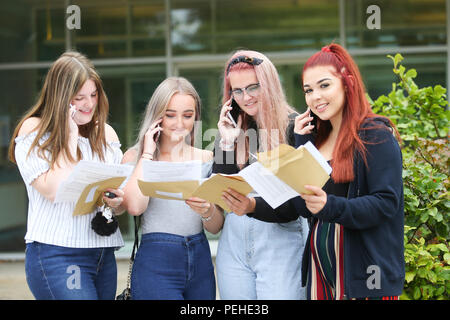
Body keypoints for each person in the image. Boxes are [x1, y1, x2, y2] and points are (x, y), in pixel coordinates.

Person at [8, 51, 125, 300]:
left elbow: (118, 203)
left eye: (93, 95)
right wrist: (70, 135)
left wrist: (116, 202)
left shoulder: (106, 134)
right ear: (60, 98)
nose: (89, 104)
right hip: (57, 255)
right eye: (79, 97)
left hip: (103, 254)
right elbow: (54, 189)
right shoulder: (34, 130)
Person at [293, 43, 404, 300]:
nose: (315, 97)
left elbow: (385, 203)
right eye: (308, 90)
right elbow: (302, 206)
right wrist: (301, 143)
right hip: (322, 275)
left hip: (365, 278)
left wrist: (329, 206)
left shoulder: (376, 134)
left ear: (347, 83)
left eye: (324, 85)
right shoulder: (317, 140)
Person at [213, 50, 309, 300]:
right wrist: (226, 143)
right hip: (234, 244)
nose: (246, 97)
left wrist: (252, 205)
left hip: (280, 240)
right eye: (237, 91)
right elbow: (221, 194)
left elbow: (298, 204)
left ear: (269, 84)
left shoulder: (294, 126)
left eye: (253, 87)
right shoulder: (230, 130)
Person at [121, 77, 224, 300]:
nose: (179, 123)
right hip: (157, 261)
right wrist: (147, 154)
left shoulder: (206, 158)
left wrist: (207, 210)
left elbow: (216, 227)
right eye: (170, 115)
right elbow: (135, 207)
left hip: (200, 258)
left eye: (187, 115)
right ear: (157, 116)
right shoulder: (135, 157)